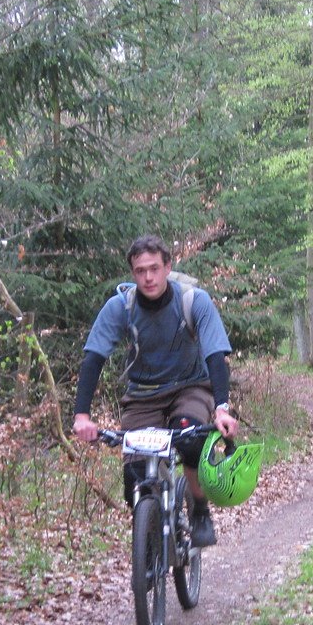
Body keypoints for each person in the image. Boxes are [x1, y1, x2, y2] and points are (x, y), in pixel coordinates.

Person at [73, 234, 239, 547]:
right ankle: (149, 543)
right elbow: (94, 358)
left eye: (154, 269)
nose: (148, 277)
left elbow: (216, 355)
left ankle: (200, 509)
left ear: (167, 267)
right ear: (132, 273)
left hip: (190, 388)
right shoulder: (121, 307)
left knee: (190, 440)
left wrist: (221, 409)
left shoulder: (193, 301)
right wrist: (82, 415)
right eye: (140, 271)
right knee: (134, 483)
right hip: (143, 396)